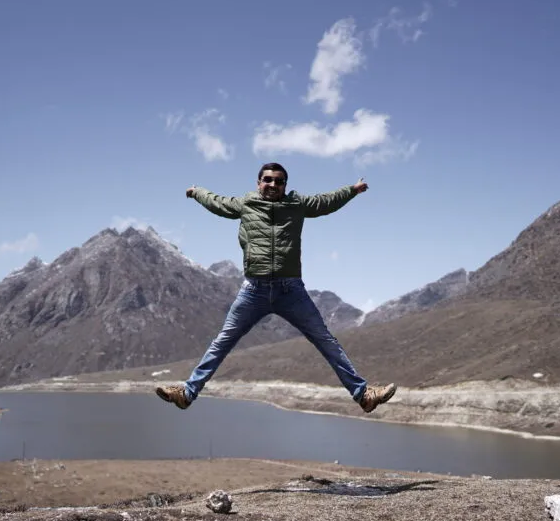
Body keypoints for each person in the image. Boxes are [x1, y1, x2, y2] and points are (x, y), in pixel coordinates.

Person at [155, 162, 397, 413]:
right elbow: (218, 202)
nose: (272, 184)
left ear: (285, 185)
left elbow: (326, 202)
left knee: (325, 340)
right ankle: (187, 393)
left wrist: (352, 190)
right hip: (253, 290)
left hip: (290, 290)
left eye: (278, 181)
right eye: (267, 180)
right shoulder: (246, 204)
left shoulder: (297, 205)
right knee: (222, 342)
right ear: (258, 182)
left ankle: (364, 395)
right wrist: (197, 193)